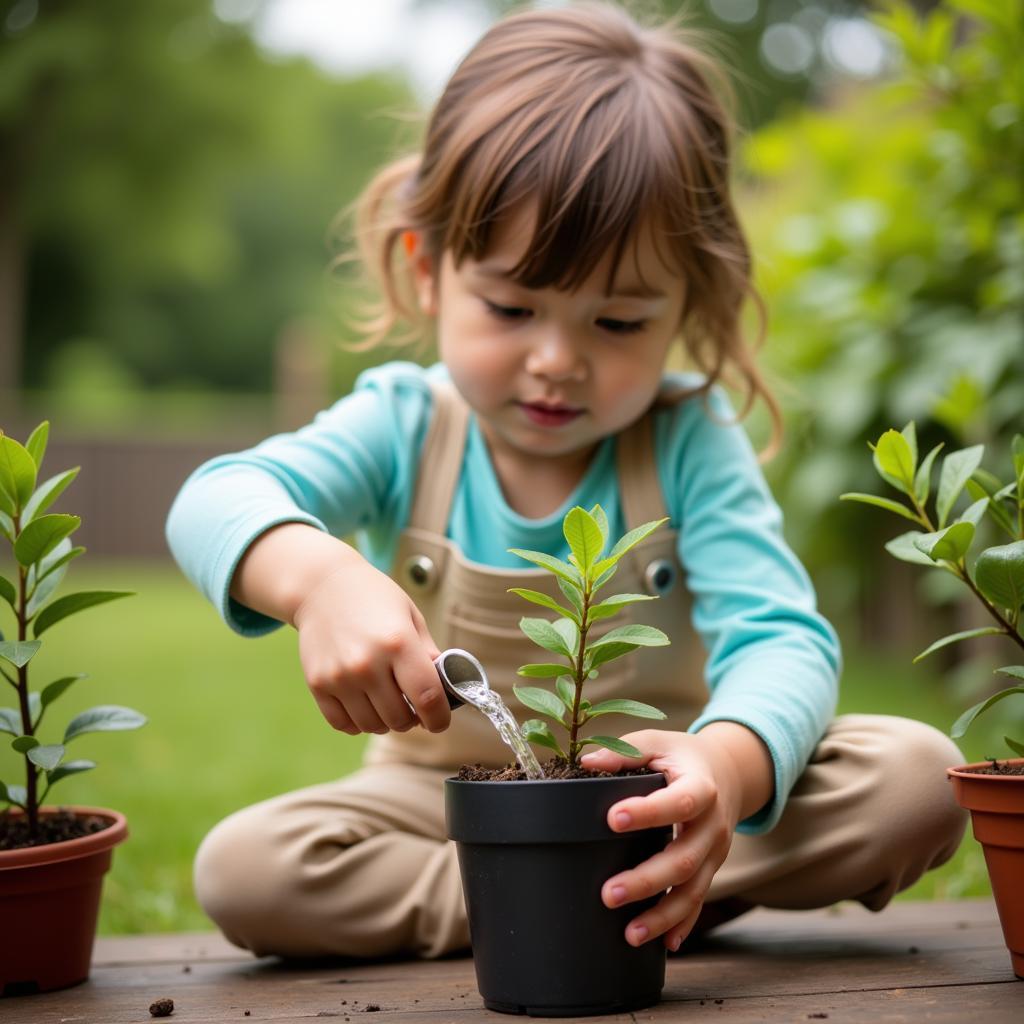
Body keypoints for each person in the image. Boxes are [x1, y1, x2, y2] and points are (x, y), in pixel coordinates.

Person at [166, 0, 966, 962]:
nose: (557, 361)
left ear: (687, 306)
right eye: (511, 307)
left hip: (655, 804)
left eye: (618, 322)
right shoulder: (405, 424)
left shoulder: (686, 440)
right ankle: (600, 906)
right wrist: (317, 579)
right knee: (249, 868)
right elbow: (213, 498)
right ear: (429, 271)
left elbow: (783, 640)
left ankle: (615, 889)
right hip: (447, 807)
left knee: (920, 779)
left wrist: (724, 766)